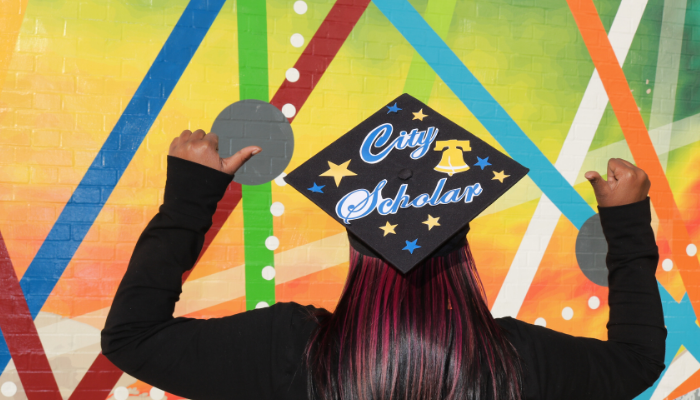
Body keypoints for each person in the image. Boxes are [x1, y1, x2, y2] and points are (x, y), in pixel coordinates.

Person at [102, 126, 665, 400]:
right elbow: (638, 360)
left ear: (356, 242)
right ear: (461, 245)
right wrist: (627, 222)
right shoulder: (517, 365)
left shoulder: (285, 352)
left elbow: (131, 336)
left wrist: (190, 195)